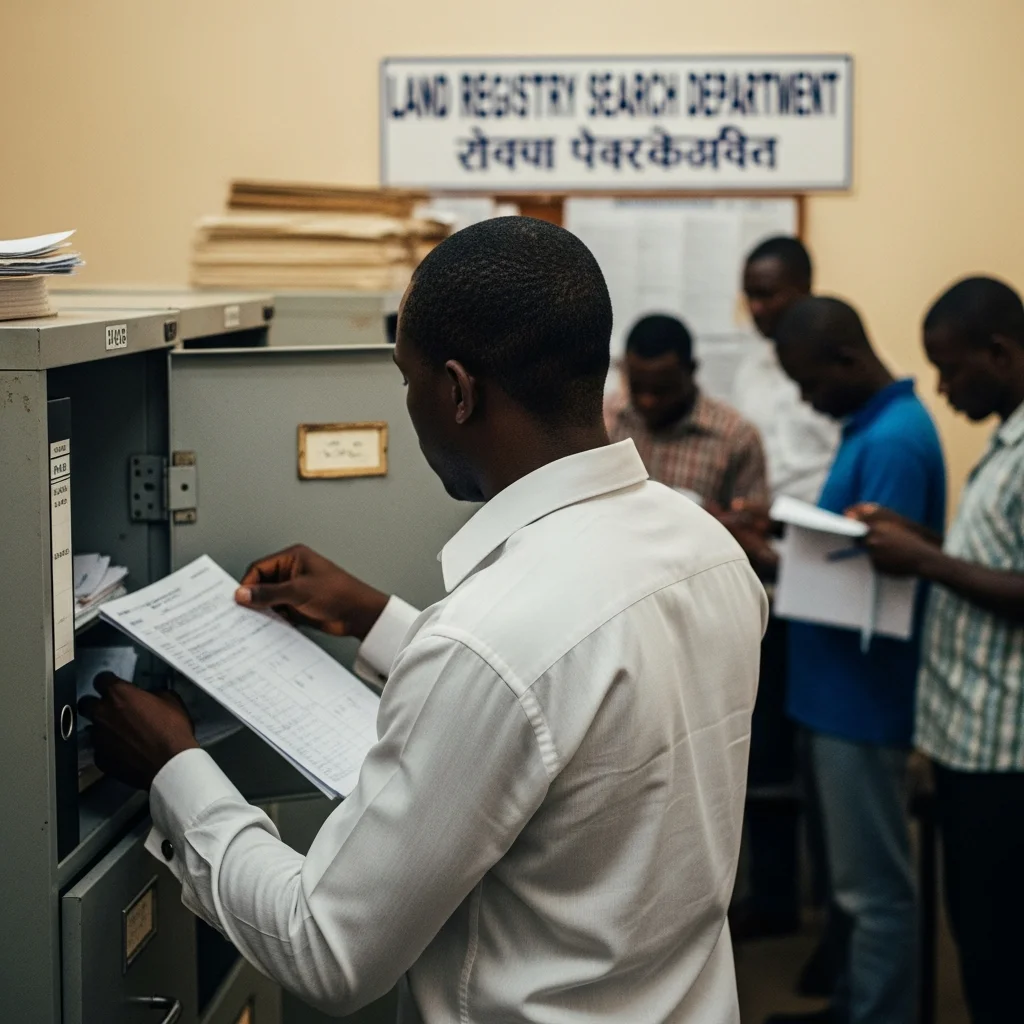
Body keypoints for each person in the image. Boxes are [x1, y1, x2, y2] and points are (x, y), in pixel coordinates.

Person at [79, 217, 767, 1023]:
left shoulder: (490, 644)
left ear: (458, 390)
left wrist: (175, 769)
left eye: (405, 379)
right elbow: (576, 713)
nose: (408, 406)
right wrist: (375, 618)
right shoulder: (706, 548)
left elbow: (326, 947)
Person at [765, 296, 946, 1024]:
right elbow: (848, 553)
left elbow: (878, 588)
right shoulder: (867, 427)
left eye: (808, 382)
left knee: (875, 892)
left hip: (860, 701)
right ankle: (853, 1006)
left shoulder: (895, 441)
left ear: (846, 361)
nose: (805, 399)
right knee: (850, 886)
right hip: (832, 693)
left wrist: (772, 560)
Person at [852, 276, 1024, 1024]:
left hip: (1006, 757)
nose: (943, 388)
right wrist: (917, 538)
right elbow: (995, 559)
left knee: (997, 953)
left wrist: (926, 562)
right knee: (979, 938)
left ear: (1000, 351)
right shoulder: (1005, 441)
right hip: (971, 741)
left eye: (952, 369)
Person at [728, 238, 841, 988]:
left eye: (774, 292)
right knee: (762, 747)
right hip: (764, 576)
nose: (763, 308)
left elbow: (836, 475)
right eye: (754, 295)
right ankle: (770, 897)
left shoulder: (834, 359)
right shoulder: (750, 365)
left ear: (805, 285)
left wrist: (781, 515)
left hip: (824, 575)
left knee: (823, 757)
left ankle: (836, 916)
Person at [607, 312, 769, 509]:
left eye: (662, 390)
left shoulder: (735, 437)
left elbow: (754, 526)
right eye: (637, 387)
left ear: (691, 370)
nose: (647, 401)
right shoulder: (609, 418)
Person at [734, 236, 839, 504]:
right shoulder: (749, 372)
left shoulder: (836, 371)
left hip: (825, 527)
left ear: (804, 289)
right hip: (763, 526)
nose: (756, 308)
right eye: (750, 296)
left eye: (766, 295)